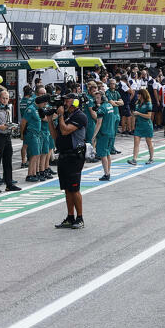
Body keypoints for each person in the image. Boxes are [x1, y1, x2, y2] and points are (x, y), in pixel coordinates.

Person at [52, 94, 87, 229]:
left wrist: (60, 116)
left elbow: (66, 131)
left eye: (68, 100)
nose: (65, 103)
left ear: (75, 103)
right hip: (64, 155)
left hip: (74, 156)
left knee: (74, 188)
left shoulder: (79, 116)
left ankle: (80, 218)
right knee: (67, 189)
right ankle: (70, 217)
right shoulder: (66, 115)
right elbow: (56, 135)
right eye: (65, 100)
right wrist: (50, 120)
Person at [0, 90, 20, 192]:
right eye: (3, 98)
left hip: (7, 136)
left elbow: (8, 122)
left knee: (8, 161)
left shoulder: (9, 108)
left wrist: (12, 127)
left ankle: (9, 184)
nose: (5, 100)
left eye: (7, 98)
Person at [93, 94, 118, 181]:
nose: (96, 100)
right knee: (107, 153)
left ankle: (106, 174)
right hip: (111, 132)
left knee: (103, 154)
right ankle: (108, 172)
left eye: (98, 98)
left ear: (103, 98)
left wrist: (94, 135)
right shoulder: (109, 105)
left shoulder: (101, 108)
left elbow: (99, 123)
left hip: (103, 133)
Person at [128, 89, 155, 165]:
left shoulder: (148, 104)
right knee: (136, 143)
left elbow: (149, 116)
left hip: (147, 125)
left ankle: (151, 157)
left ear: (143, 95)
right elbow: (135, 114)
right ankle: (134, 159)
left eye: (139, 94)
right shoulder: (137, 103)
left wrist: (139, 113)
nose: (137, 96)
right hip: (139, 125)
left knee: (148, 142)